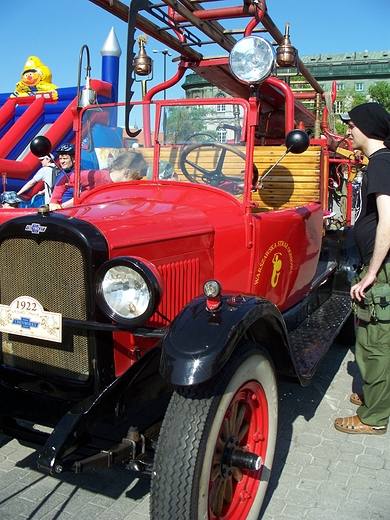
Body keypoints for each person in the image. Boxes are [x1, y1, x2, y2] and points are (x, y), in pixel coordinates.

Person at [334, 102, 390, 435]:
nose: (348, 131)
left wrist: (371, 272)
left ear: (367, 127)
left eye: (351, 125)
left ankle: (374, 417)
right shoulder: (380, 162)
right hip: (378, 265)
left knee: (374, 344)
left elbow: (388, 221)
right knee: (374, 340)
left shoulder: (382, 163)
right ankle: (375, 397)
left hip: (380, 269)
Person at [49, 150, 148, 209]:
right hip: (82, 216)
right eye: (136, 178)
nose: (137, 183)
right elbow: (65, 180)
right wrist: (54, 202)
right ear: (127, 173)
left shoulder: (122, 187)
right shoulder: (95, 176)